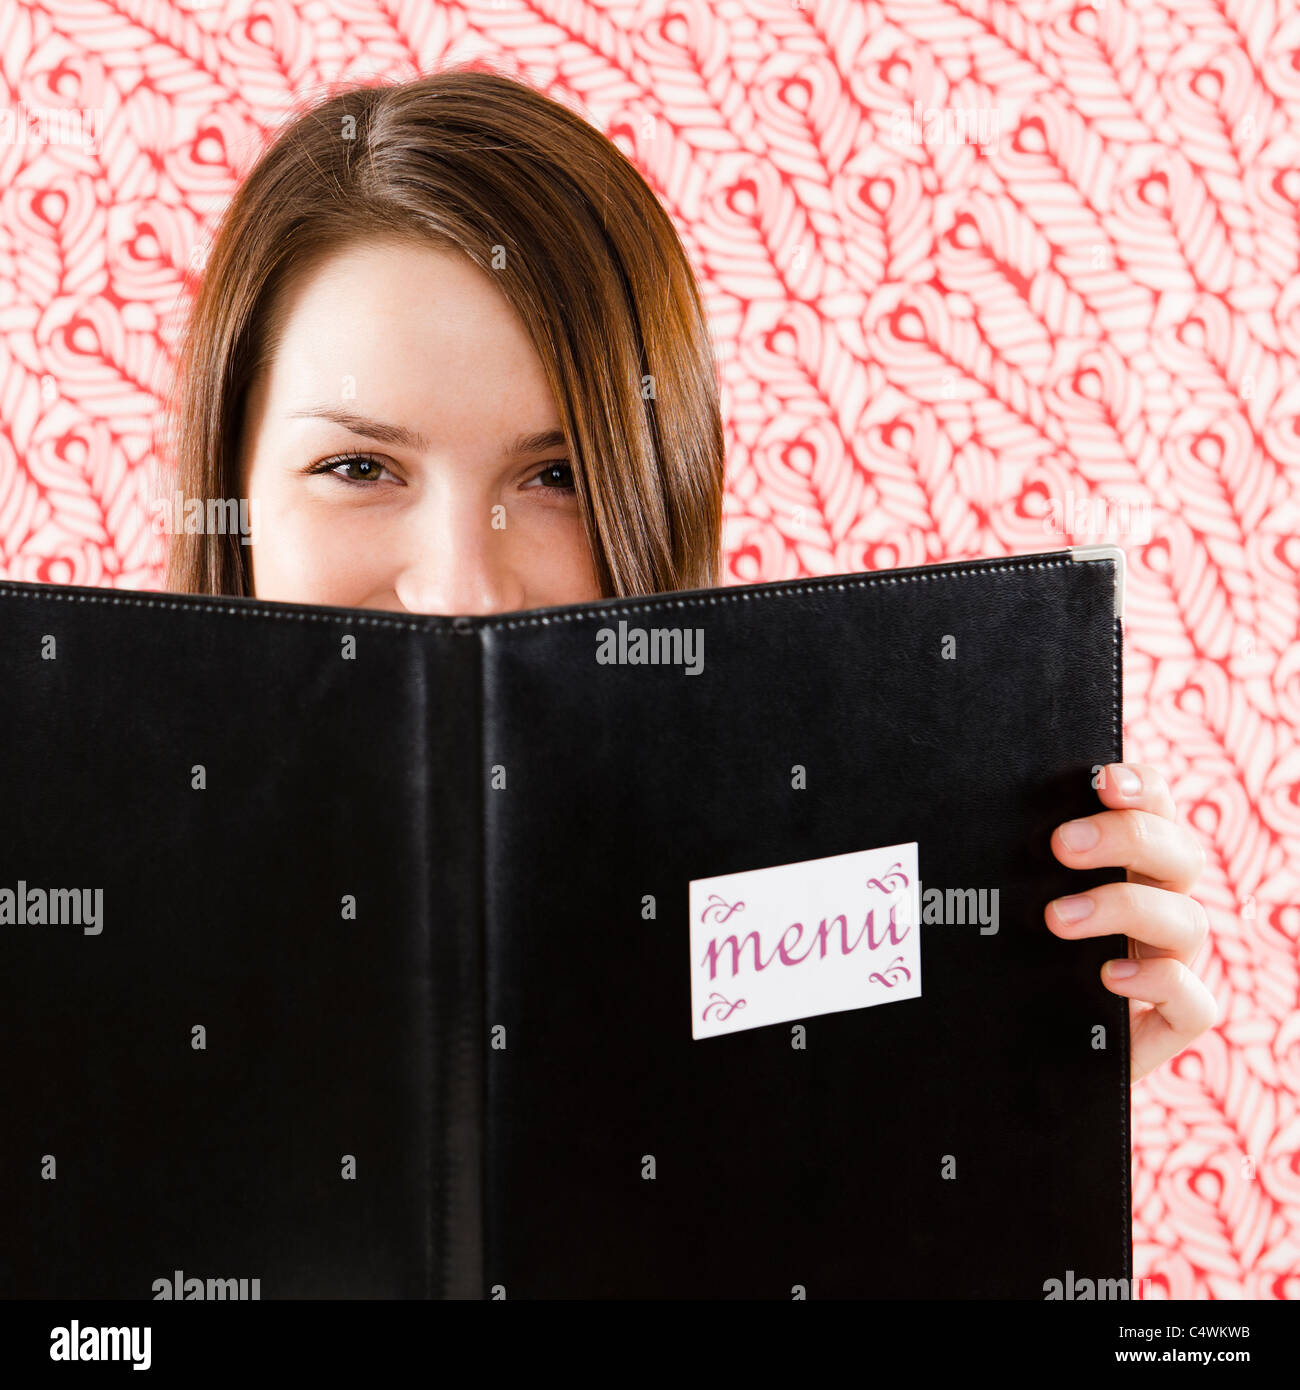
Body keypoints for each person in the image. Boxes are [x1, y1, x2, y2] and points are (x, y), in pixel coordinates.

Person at [161, 64, 1215, 1083]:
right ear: (233, 492)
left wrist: (1015, 1115)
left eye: (559, 473)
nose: (460, 590)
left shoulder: (812, 914)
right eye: (356, 467)